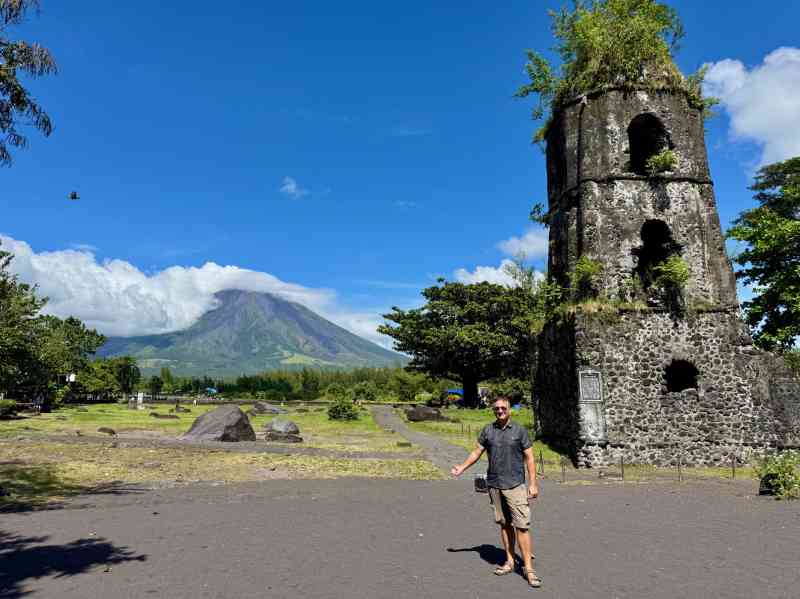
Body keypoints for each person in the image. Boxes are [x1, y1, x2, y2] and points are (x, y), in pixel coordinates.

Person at [450, 396, 541, 588]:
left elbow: (530, 458)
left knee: (522, 526)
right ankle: (509, 561)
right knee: (505, 524)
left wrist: (533, 484)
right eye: (496, 409)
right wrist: (462, 468)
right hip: (495, 485)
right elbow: (476, 452)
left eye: (503, 408)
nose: (500, 411)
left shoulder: (519, 430)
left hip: (515, 485)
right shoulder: (488, 430)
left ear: (509, 409)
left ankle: (528, 568)